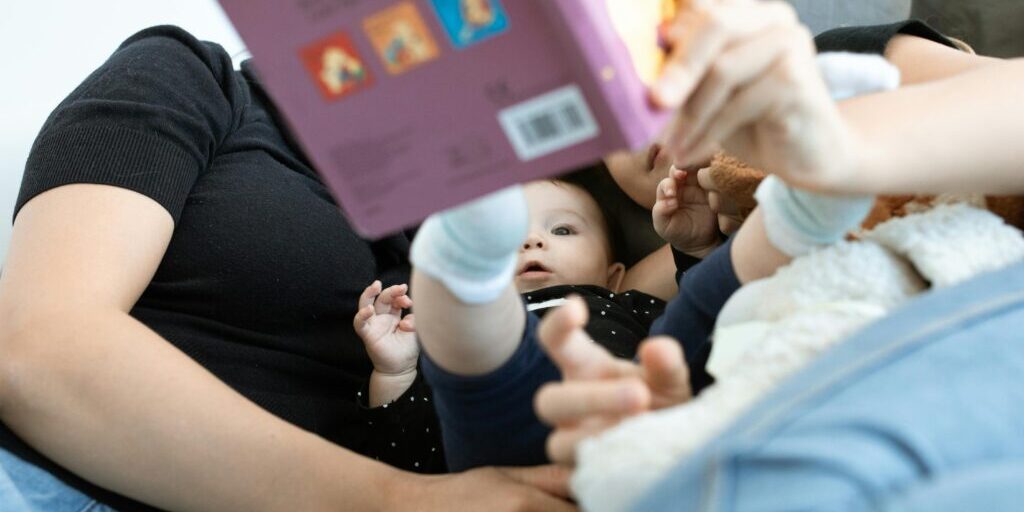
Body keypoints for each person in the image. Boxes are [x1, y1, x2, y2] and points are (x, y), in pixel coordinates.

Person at [0, 25, 574, 512]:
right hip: (52, 484)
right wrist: (404, 501)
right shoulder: (195, 79)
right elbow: (42, 347)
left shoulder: (486, 233)